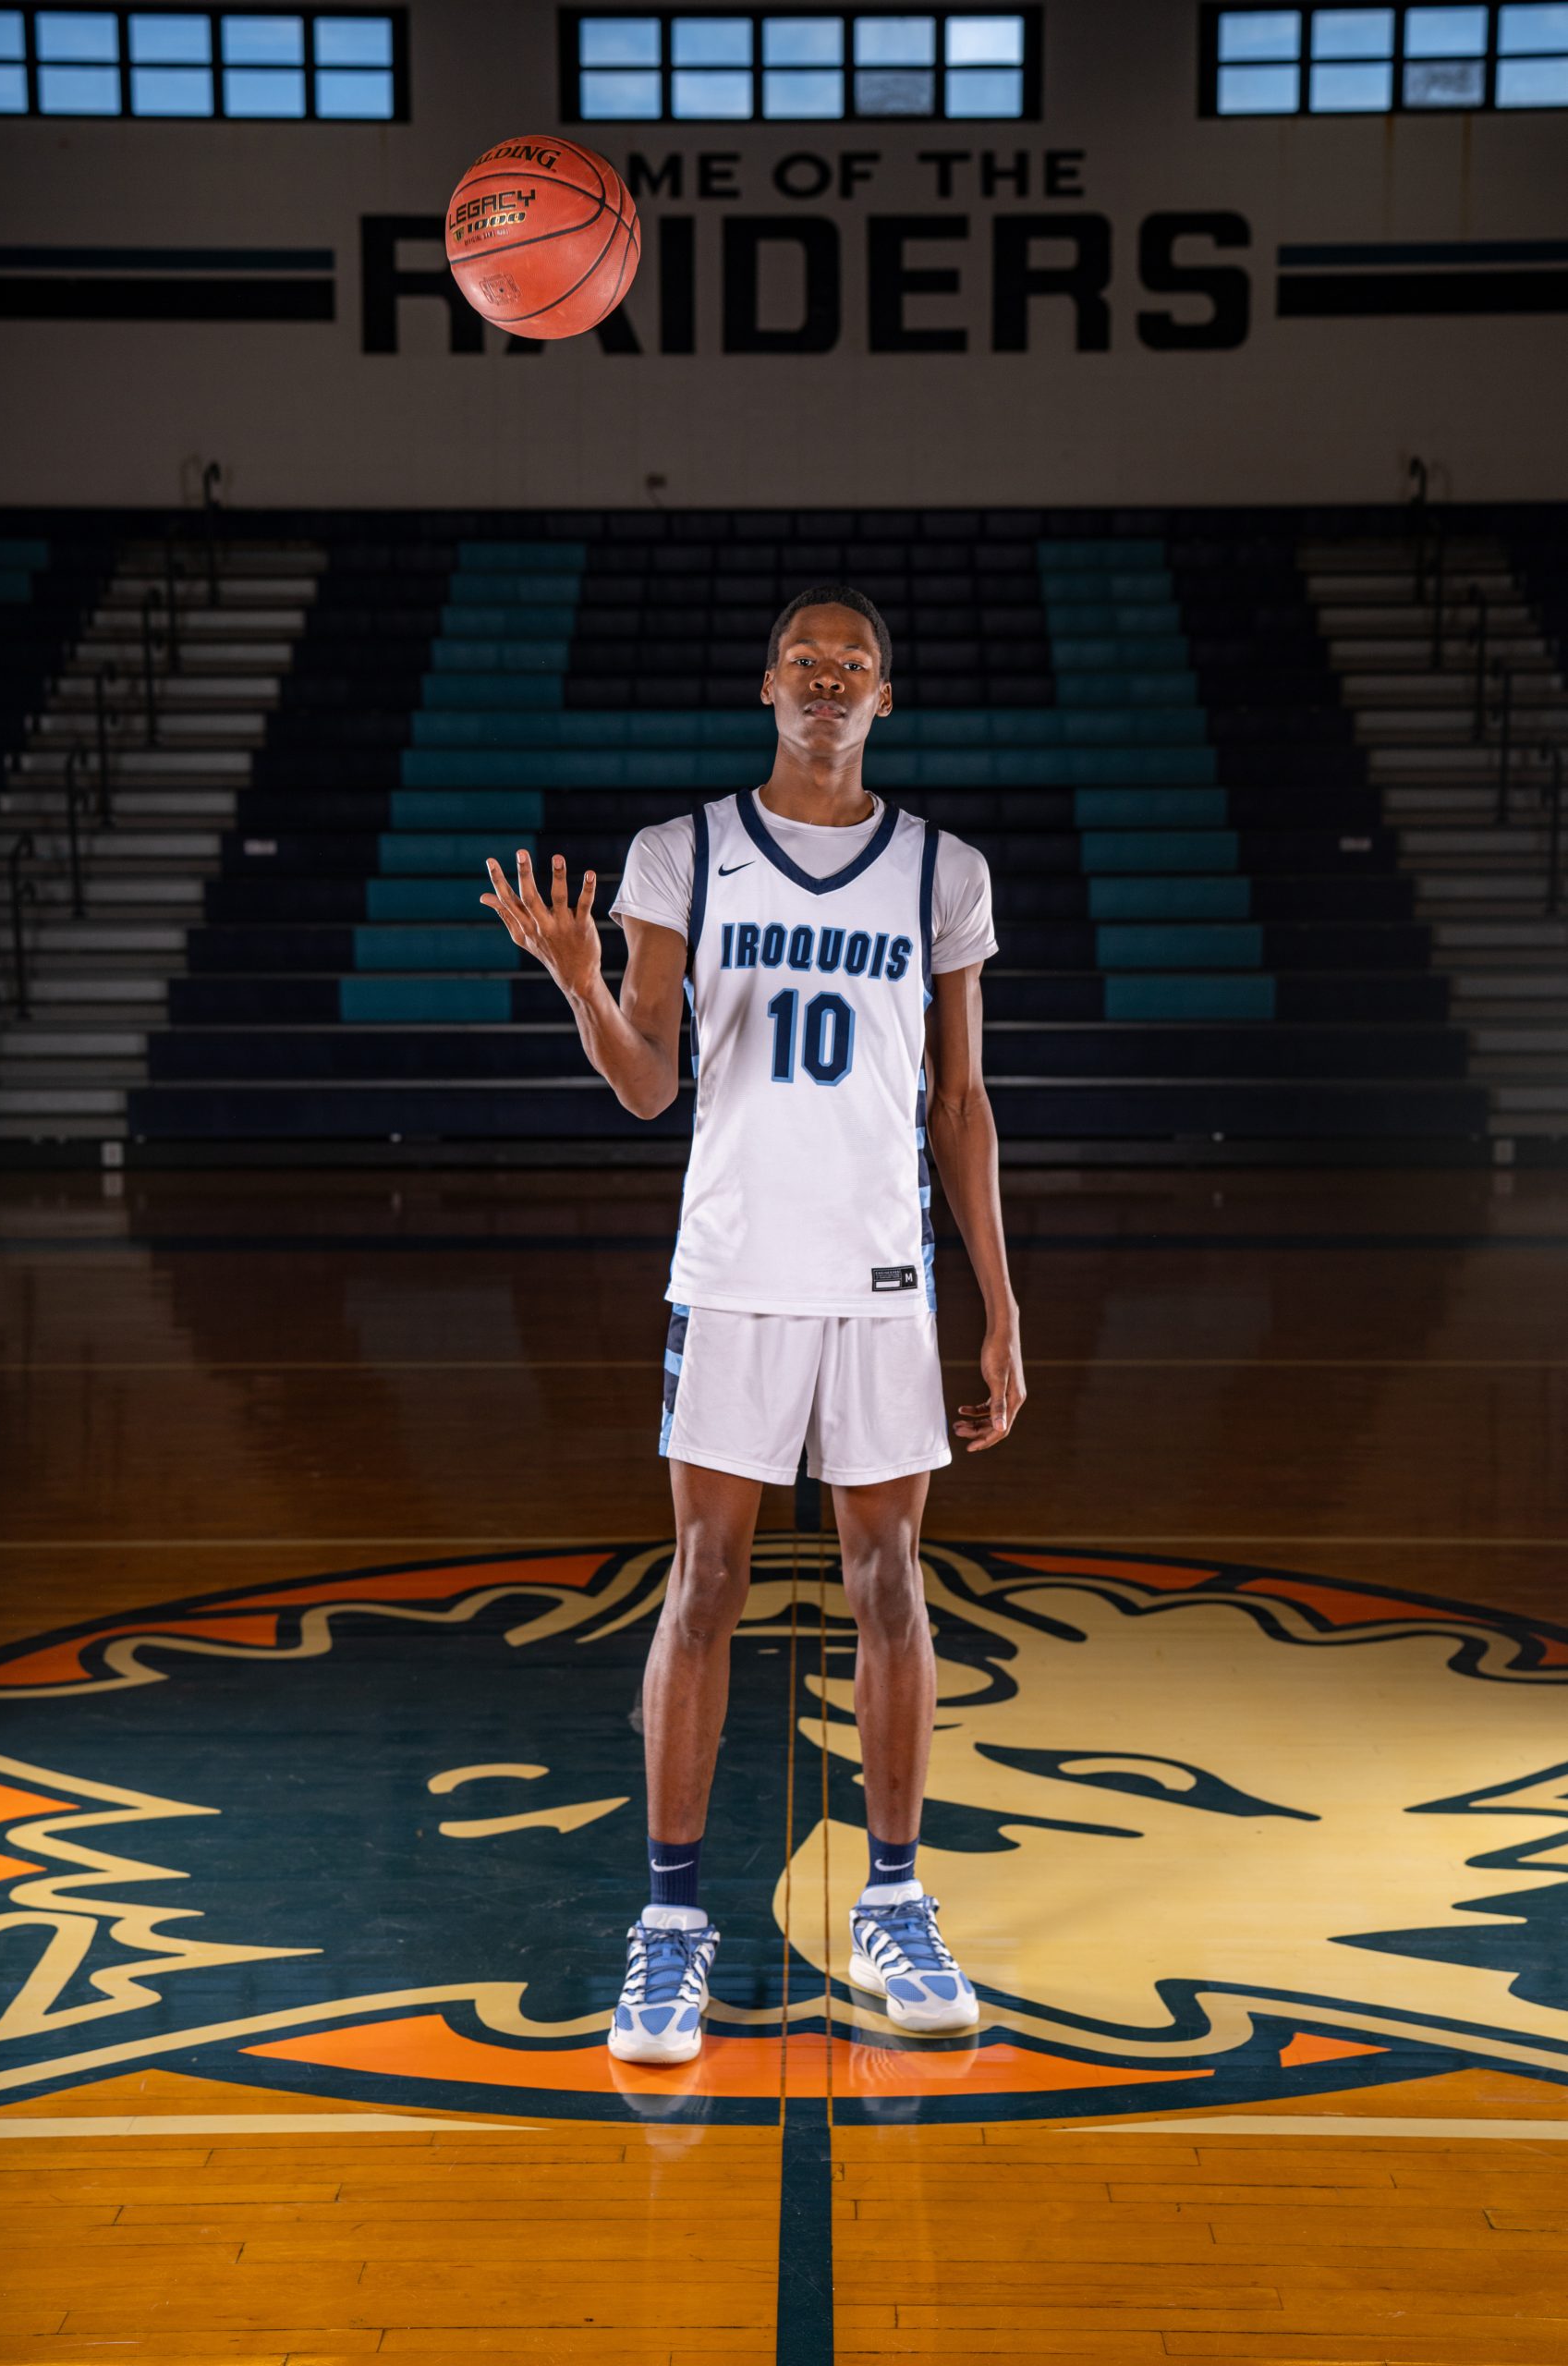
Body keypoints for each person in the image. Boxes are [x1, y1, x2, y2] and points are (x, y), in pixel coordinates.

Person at [480, 585, 1025, 2065]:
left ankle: (894, 1902)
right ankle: (668, 1927)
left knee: (889, 1583)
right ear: (766, 687)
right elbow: (647, 1084)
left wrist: (999, 1306)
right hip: (729, 1274)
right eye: (804, 660)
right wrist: (582, 986)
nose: (827, 679)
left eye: (854, 663)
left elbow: (960, 1103)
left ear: (884, 698)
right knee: (704, 1581)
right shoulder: (684, 854)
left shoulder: (943, 872)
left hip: (881, 1279)